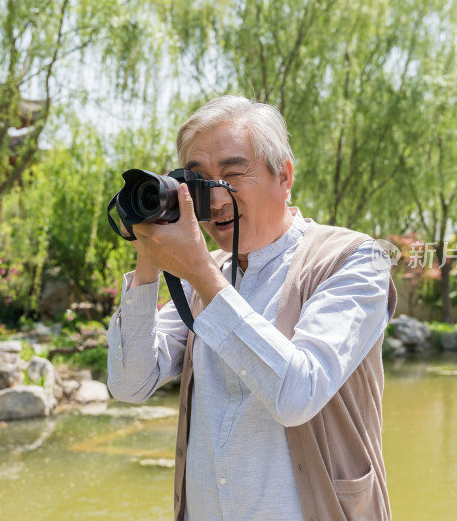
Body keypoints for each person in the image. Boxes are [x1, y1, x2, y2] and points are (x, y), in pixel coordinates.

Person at [107, 95, 397, 521]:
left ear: (284, 176)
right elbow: (129, 385)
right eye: (198, 180)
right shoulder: (207, 274)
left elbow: (298, 393)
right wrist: (149, 260)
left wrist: (201, 272)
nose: (215, 198)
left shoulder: (354, 259)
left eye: (231, 174)